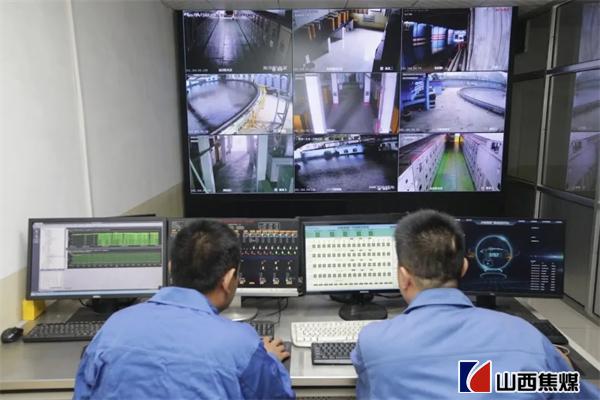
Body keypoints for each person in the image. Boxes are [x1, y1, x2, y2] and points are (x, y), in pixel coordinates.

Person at [351, 209, 599, 399]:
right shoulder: (528, 338)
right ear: (464, 267)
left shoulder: (373, 342)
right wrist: (563, 369)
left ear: (404, 277)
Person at [74, 220, 294, 399]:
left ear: (171, 268)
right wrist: (269, 361)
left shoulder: (113, 327)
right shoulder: (241, 345)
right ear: (228, 280)